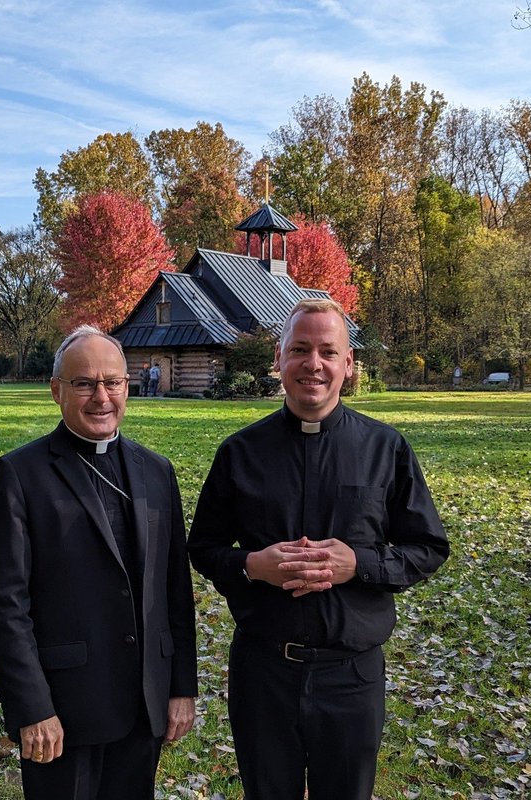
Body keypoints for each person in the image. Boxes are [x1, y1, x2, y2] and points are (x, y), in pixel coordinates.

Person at [187, 298, 449, 800]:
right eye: (300, 349)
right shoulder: (239, 453)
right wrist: (252, 566)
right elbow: (203, 548)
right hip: (264, 671)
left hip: (350, 673)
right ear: (279, 359)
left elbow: (429, 546)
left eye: (328, 351)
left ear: (348, 365)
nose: (314, 364)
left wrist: (361, 563)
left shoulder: (385, 449)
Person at [0, 325, 197, 800]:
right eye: (84, 384)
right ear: (57, 391)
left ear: (128, 386)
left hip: (144, 703)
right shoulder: (19, 475)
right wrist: (32, 707)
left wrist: (180, 687)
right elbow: (4, 605)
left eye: (112, 382)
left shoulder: (157, 471)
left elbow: (175, 588)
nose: (101, 396)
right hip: (63, 710)